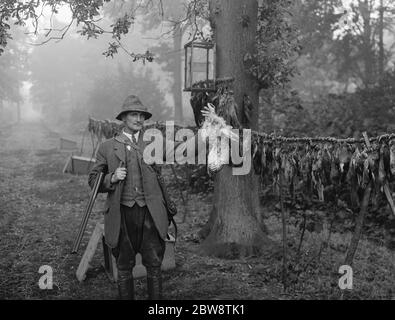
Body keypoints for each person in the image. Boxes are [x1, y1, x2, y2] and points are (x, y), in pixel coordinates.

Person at [88, 95, 214, 300]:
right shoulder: (108, 147)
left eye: (141, 115)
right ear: (123, 118)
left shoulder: (154, 143)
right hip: (122, 216)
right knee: (124, 266)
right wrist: (111, 178)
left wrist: (207, 129)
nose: (139, 119)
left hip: (150, 214)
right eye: (133, 115)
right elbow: (93, 180)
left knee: (154, 264)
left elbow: (184, 151)